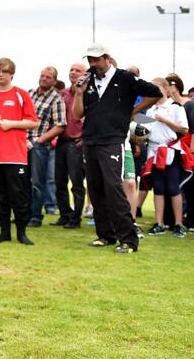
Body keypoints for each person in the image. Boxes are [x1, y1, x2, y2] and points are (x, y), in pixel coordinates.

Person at [72, 44, 161, 253]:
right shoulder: (88, 81)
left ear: (107, 58)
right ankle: (105, 235)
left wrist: (134, 111)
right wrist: (78, 94)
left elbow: (155, 93)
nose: (92, 64)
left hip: (113, 139)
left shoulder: (125, 78)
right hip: (90, 139)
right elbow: (77, 115)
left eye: (95, 60)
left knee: (114, 187)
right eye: (89, 60)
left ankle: (129, 240)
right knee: (95, 188)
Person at [0, 58, 38, 245]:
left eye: (4, 71)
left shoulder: (21, 95)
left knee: (18, 194)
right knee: (0, 195)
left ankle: (21, 232)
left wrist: (11, 124)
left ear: (12, 74)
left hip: (16, 155)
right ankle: (4, 232)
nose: (0, 75)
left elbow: (33, 121)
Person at [143, 77, 189, 238]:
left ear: (165, 88)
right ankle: (159, 223)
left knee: (173, 187)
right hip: (154, 152)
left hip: (170, 150)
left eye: (157, 87)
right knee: (158, 188)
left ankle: (178, 223)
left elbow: (184, 130)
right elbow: (146, 132)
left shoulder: (175, 107)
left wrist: (165, 121)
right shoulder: (150, 109)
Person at [26, 67, 66, 227]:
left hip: (39, 146)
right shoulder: (29, 94)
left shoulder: (57, 99)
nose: (44, 79)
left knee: (37, 181)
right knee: (22, 180)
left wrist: (39, 140)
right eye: (42, 75)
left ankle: (35, 216)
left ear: (54, 81)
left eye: (48, 77)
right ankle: (24, 214)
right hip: (22, 143)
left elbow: (60, 125)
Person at [54, 63, 87, 229]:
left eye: (78, 71)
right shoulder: (63, 94)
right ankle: (64, 214)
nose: (73, 73)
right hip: (61, 141)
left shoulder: (88, 94)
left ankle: (76, 218)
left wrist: (85, 138)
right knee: (59, 181)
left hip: (77, 143)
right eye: (71, 70)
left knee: (76, 183)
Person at [165, 74, 194, 231]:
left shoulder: (189, 105)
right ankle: (174, 219)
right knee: (175, 184)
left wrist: (192, 150)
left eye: (167, 85)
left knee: (188, 185)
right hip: (175, 149)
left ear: (174, 86)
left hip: (188, 148)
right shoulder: (170, 106)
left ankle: (190, 220)